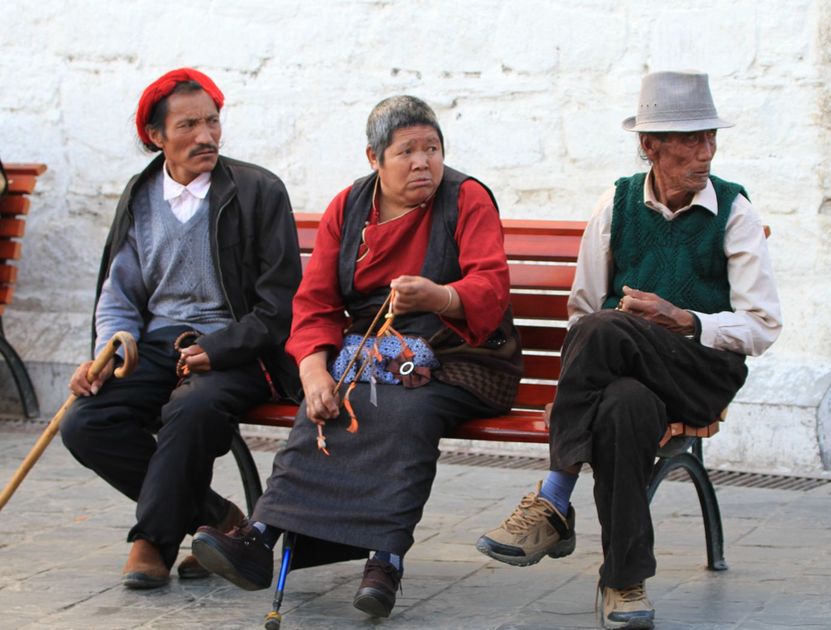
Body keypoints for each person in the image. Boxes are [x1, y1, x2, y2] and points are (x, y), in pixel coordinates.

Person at [191, 95, 522, 618]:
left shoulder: (467, 199)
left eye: (432, 149)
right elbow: (316, 302)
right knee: (324, 405)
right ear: (374, 158)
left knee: (407, 410)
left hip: (464, 353)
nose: (423, 162)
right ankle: (259, 536)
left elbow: (490, 287)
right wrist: (313, 369)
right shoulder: (347, 207)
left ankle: (385, 558)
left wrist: (438, 296)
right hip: (374, 355)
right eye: (407, 151)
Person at [476, 71, 782, 629]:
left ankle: (554, 496)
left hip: (701, 372)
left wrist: (683, 319)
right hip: (627, 376)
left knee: (606, 329)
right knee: (622, 407)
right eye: (689, 139)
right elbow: (581, 309)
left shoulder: (735, 211)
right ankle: (623, 581)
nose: (705, 151)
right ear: (649, 145)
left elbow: (763, 327)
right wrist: (587, 392)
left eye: (709, 137)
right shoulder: (615, 205)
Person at [59, 68, 301, 589]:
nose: (207, 136)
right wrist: (106, 354)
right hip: (155, 345)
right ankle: (217, 519)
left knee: (191, 408)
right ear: (156, 136)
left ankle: (152, 540)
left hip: (240, 348)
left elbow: (279, 303)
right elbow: (119, 292)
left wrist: (219, 348)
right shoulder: (141, 194)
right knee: (85, 423)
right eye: (189, 125)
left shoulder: (258, 190)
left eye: (213, 122)